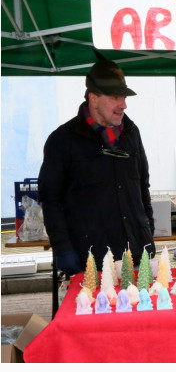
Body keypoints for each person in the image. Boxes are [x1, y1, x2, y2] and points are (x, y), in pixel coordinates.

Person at [38, 57, 155, 276]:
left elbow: (143, 186)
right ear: (93, 99)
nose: (123, 104)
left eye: (124, 97)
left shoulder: (132, 133)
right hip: (91, 261)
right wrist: (63, 249)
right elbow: (51, 201)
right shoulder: (62, 141)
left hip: (137, 255)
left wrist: (147, 231)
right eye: (115, 97)